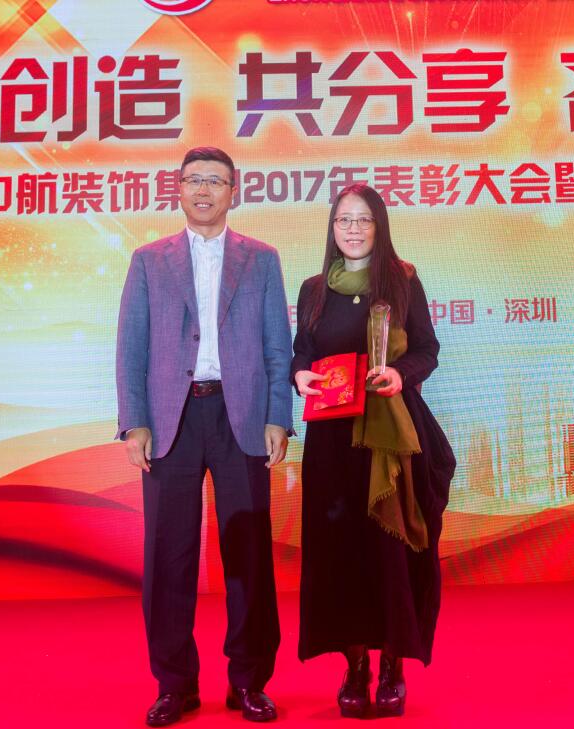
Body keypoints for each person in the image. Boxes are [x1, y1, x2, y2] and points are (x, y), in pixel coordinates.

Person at [116, 147, 293, 727]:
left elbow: (278, 346)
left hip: (241, 416)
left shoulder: (261, 259)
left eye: (215, 181)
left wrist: (278, 416)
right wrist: (134, 421)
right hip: (172, 420)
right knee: (169, 554)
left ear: (233, 191)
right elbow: (131, 348)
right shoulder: (149, 261)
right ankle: (175, 685)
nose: (203, 190)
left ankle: (248, 681)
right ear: (179, 188)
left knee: (248, 554)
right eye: (193, 180)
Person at [291, 183, 455, 719]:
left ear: (379, 226)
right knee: (340, 554)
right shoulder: (314, 289)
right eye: (344, 220)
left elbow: (427, 349)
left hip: (390, 440)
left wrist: (400, 373)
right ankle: (355, 665)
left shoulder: (402, 281)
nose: (354, 229)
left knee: (390, 553)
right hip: (332, 443)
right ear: (332, 228)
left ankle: (391, 666)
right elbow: (302, 353)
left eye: (364, 219)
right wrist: (299, 376)